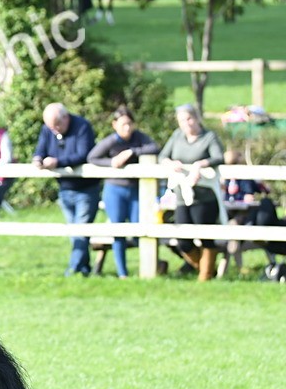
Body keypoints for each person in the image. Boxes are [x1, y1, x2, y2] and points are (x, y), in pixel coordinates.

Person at [87, 106, 161, 278]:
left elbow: (155, 148)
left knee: (139, 228)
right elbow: (93, 157)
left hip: (136, 190)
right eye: (123, 124)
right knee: (118, 229)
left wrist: (132, 152)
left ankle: (151, 266)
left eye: (129, 124)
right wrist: (112, 162)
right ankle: (122, 273)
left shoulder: (139, 138)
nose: (126, 128)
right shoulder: (111, 142)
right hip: (115, 190)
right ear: (115, 125)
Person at [160, 103, 226, 281]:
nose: (186, 123)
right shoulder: (177, 136)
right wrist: (171, 163)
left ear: (196, 118)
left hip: (204, 194)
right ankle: (204, 269)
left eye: (189, 118)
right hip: (182, 194)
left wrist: (200, 165)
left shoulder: (209, 137)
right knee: (183, 239)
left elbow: (219, 157)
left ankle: (205, 277)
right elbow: (162, 156)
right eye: (182, 120)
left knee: (205, 236)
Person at [34, 102, 99, 276]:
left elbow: (83, 154)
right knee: (74, 232)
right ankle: (84, 269)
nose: (54, 130)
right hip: (64, 187)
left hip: (86, 189)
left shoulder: (82, 126)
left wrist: (57, 162)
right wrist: (38, 159)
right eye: (50, 127)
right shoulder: (48, 129)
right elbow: (40, 149)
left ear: (65, 117)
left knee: (80, 230)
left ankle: (72, 271)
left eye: (57, 125)